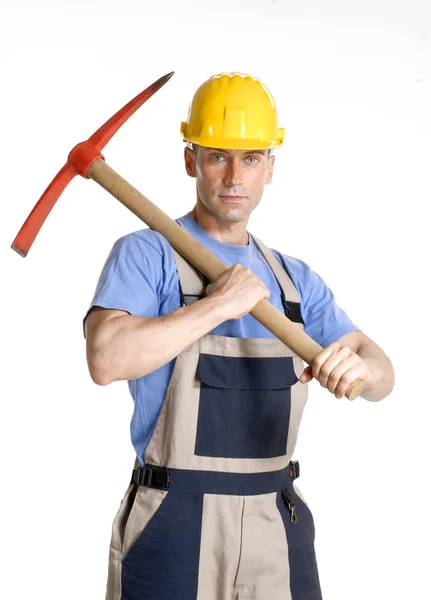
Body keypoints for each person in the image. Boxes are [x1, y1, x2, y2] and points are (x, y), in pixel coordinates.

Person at [83, 72, 395, 600]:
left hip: (277, 518)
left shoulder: (293, 280)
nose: (234, 175)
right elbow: (106, 359)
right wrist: (217, 305)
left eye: (250, 158)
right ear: (190, 161)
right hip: (174, 518)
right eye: (217, 156)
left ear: (270, 168)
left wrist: (363, 369)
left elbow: (382, 375)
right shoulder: (148, 254)